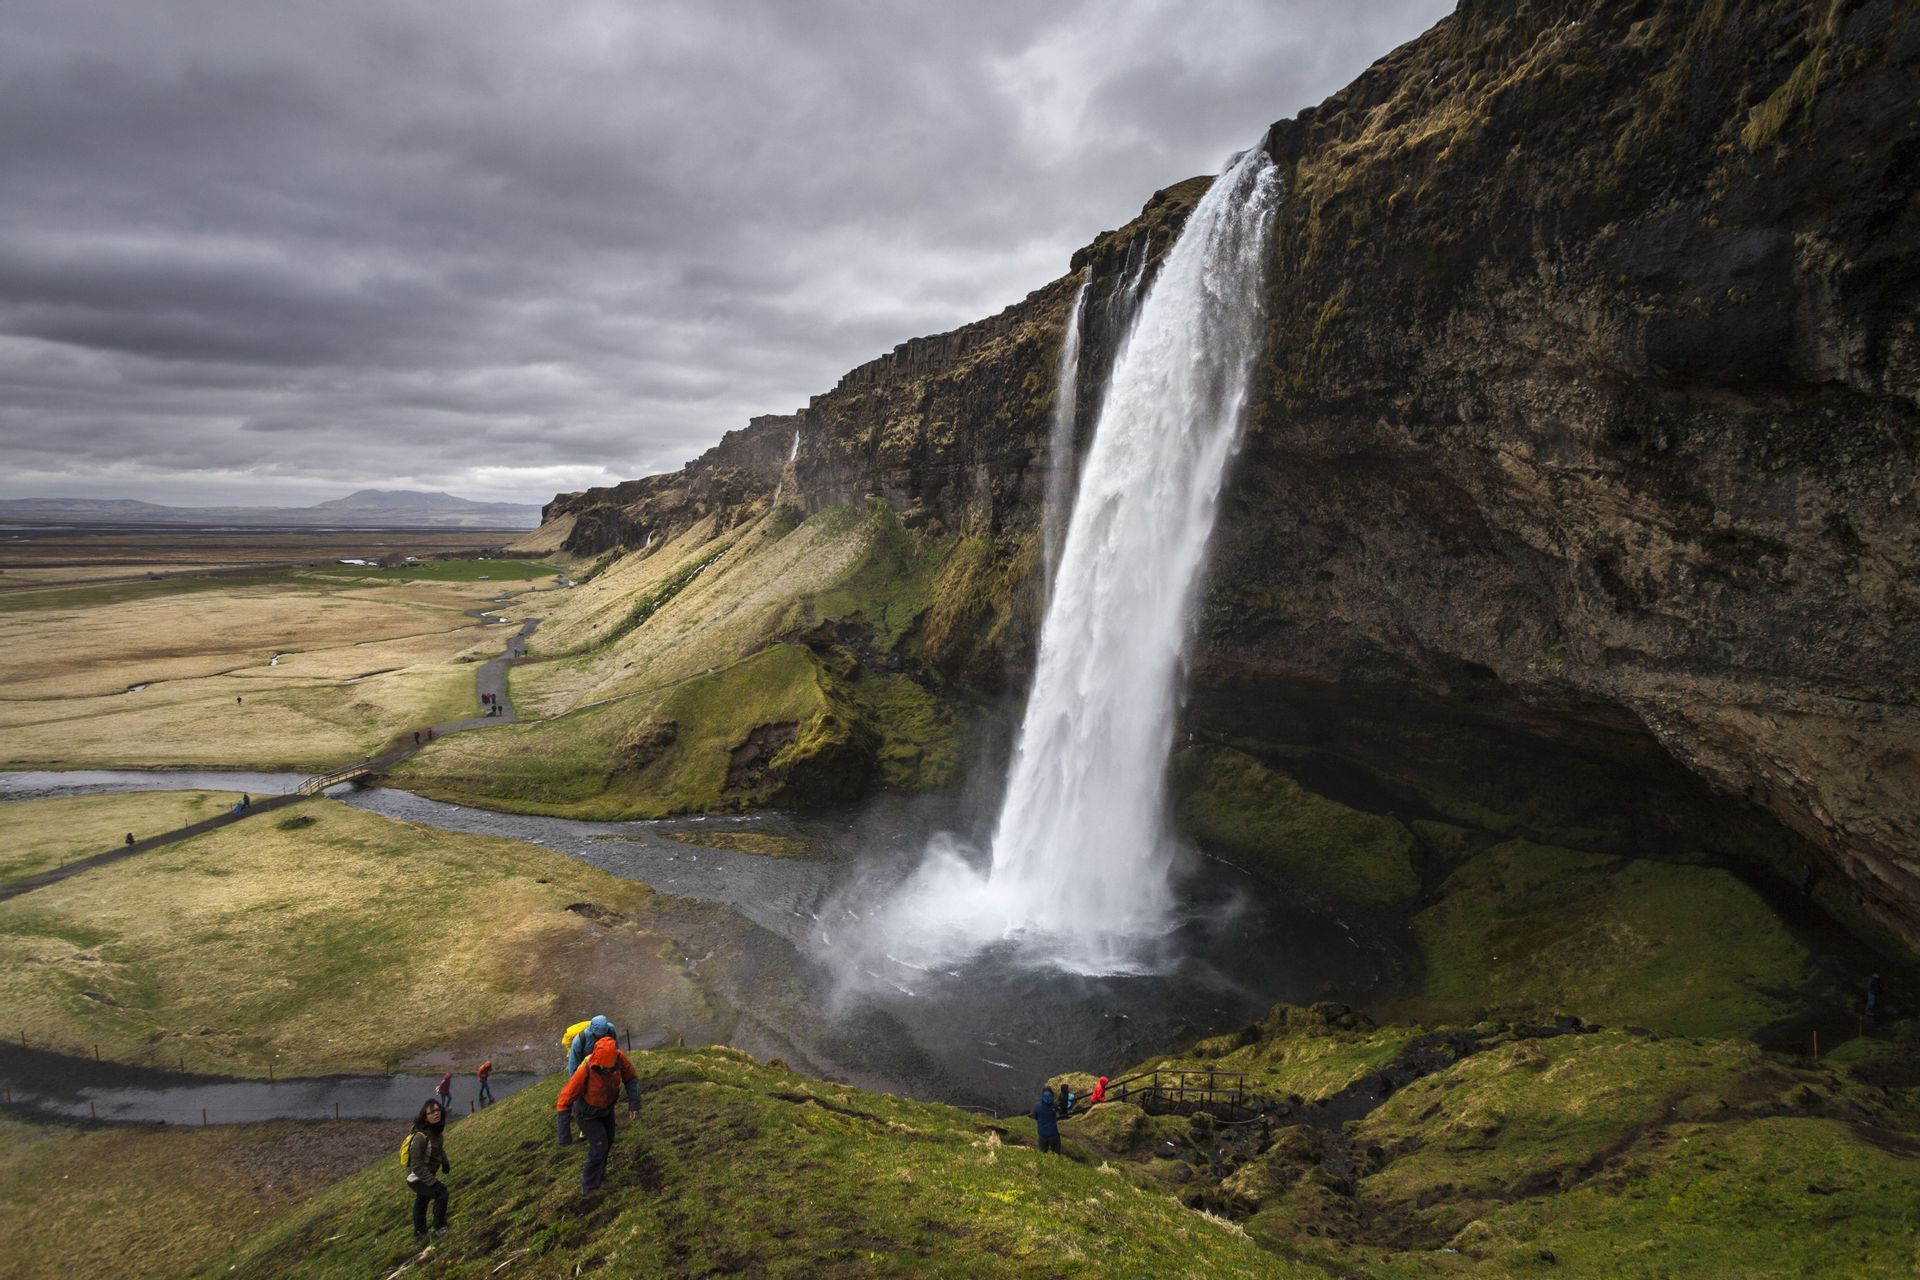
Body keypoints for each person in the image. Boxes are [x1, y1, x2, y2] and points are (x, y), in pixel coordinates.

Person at [554, 1036, 641, 1194]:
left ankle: (599, 1174)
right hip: (587, 1114)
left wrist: (634, 1103)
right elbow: (564, 1100)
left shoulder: (620, 1058)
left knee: (608, 1141)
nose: (607, 1071)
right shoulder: (586, 1069)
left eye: (610, 1068)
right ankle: (588, 1187)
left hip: (607, 1108)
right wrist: (564, 1135)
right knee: (599, 1145)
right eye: (604, 1068)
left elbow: (631, 1078)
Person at [405, 1097, 451, 1239]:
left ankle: (419, 1232)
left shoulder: (436, 1133)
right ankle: (440, 1227)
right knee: (441, 1193)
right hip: (416, 1178)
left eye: (437, 1110)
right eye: (431, 1112)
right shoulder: (420, 1137)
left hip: (425, 1175)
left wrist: (445, 1162)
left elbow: (439, 1149)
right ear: (425, 1117)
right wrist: (432, 1182)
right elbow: (417, 1166)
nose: (435, 1114)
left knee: (423, 1200)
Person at [1032, 1086, 1062, 1155]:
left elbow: (1034, 1117)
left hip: (1042, 1134)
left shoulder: (1037, 1106)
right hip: (1053, 1133)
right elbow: (1060, 1111)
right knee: (1056, 1153)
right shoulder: (1054, 1105)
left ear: (1042, 1096)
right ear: (1052, 1095)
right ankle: (1056, 1163)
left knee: (1042, 1153)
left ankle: (1044, 1164)